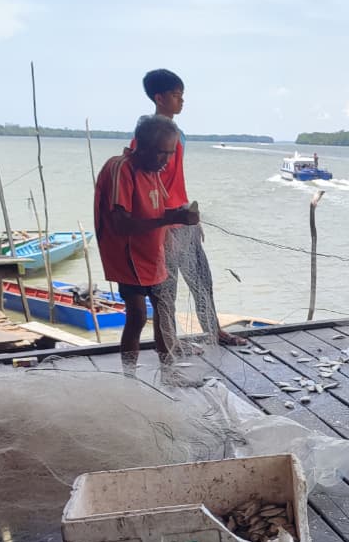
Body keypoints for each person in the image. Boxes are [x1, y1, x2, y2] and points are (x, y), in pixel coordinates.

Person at [138, 68, 246, 347]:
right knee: (166, 290)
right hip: (164, 224)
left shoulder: (178, 134)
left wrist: (192, 219)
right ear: (159, 98)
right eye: (176, 95)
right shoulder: (148, 136)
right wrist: (161, 227)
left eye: (182, 95)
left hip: (183, 219)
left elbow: (175, 181)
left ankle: (215, 331)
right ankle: (169, 343)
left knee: (202, 281)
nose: (182, 101)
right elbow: (147, 185)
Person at [94, 115, 200, 373]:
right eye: (161, 152)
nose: (166, 160)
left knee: (164, 312)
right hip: (128, 256)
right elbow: (121, 223)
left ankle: (169, 372)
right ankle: (129, 377)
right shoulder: (121, 168)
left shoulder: (153, 171)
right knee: (138, 316)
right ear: (141, 146)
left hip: (153, 254)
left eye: (170, 153)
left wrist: (178, 217)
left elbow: (157, 211)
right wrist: (170, 218)